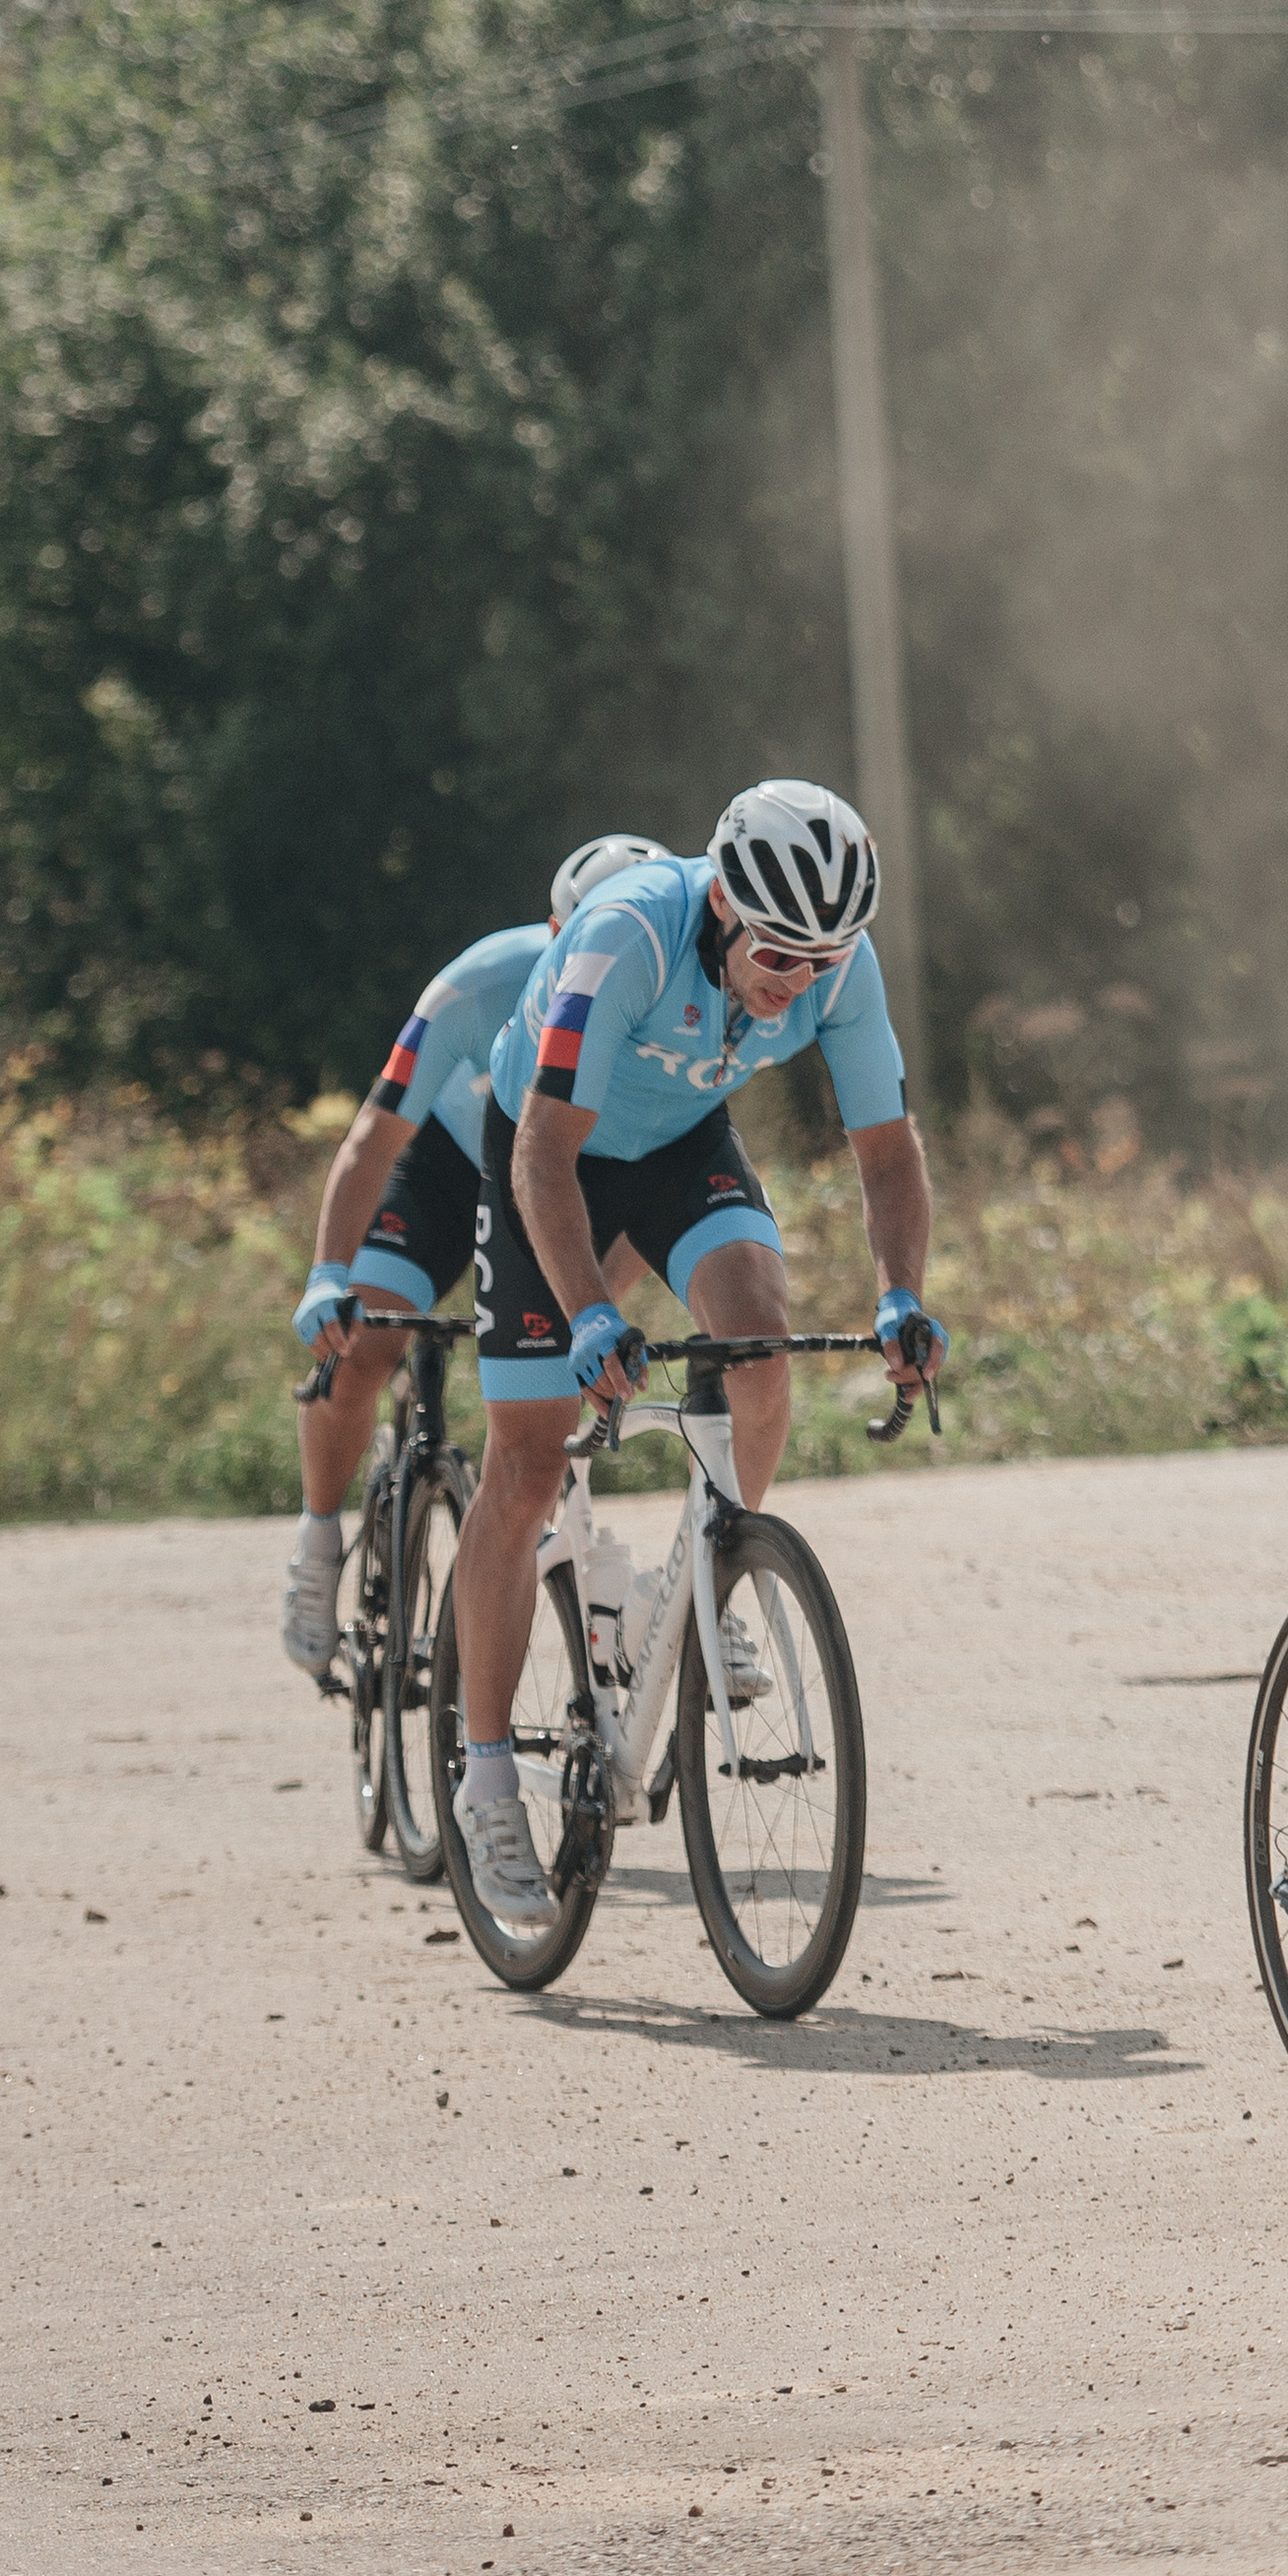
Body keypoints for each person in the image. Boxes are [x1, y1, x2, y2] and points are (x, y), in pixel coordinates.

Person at [446, 781, 945, 1922]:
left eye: (824, 958)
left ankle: (704, 1575)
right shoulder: (626, 936)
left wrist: (901, 1297)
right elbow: (542, 1158)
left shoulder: (837, 965)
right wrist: (588, 1313)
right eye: (779, 953)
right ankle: (486, 1780)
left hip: (679, 1147)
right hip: (546, 1154)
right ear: (722, 904)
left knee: (758, 1341)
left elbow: (887, 1152)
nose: (798, 980)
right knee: (526, 1460)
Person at [280, 836, 668, 1674]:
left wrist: (584, 1309)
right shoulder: (481, 980)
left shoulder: (668, 1007)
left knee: (544, 1421)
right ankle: (317, 1539)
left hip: (562, 1184)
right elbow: (373, 1137)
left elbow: (656, 1206)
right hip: (449, 1172)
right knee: (364, 1346)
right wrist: (328, 1274)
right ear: (554, 932)